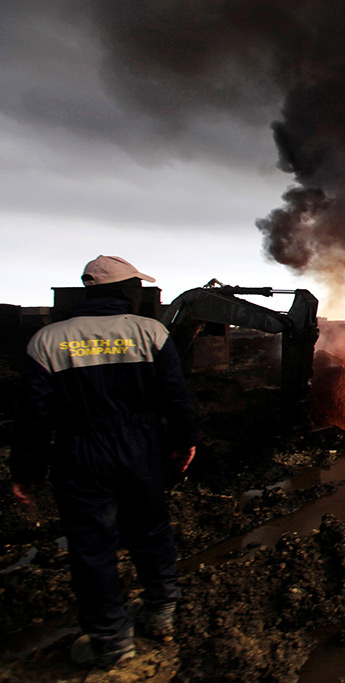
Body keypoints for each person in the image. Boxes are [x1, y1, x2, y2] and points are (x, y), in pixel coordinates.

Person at [10, 256, 196, 668]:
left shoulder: (48, 340)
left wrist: (26, 472)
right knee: (152, 530)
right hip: (141, 448)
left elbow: (33, 416)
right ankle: (161, 610)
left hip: (80, 453)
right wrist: (184, 442)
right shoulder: (150, 332)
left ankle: (112, 641)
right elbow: (175, 397)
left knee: (92, 547)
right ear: (125, 291)